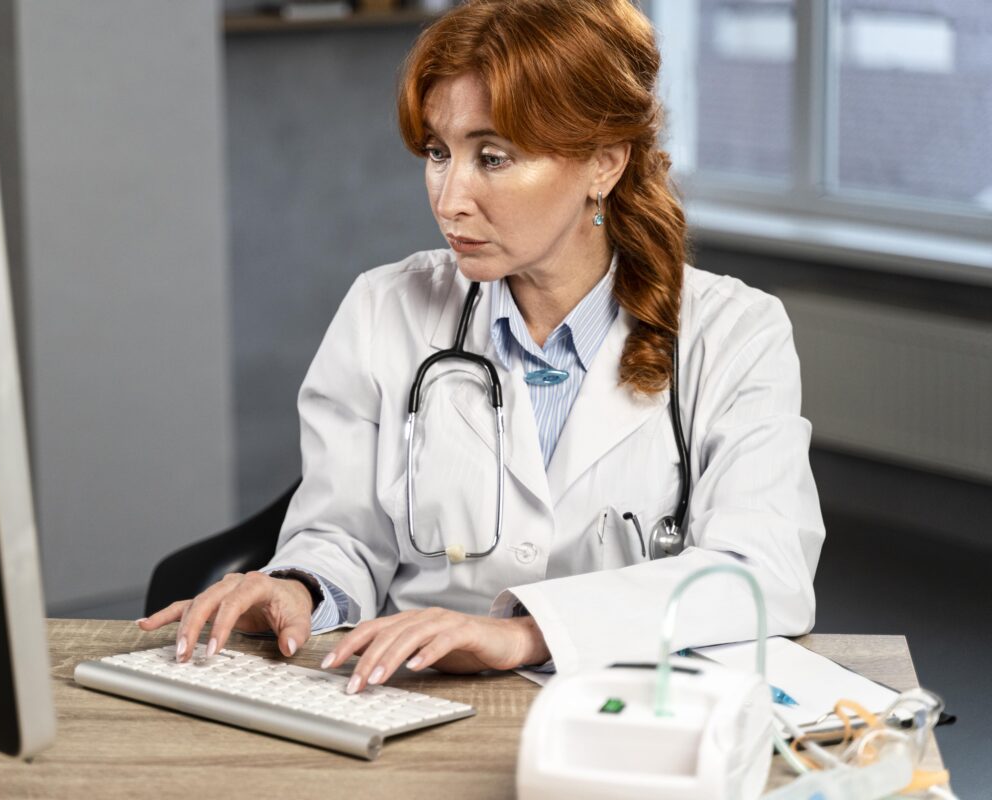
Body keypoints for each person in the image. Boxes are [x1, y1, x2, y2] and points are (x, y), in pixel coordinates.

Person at [139, 0, 824, 695]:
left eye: (492, 157)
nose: (449, 199)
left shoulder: (735, 333)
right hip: (411, 699)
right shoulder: (383, 309)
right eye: (439, 153)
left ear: (604, 164)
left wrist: (526, 633)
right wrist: (300, 588)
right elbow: (343, 535)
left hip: (624, 710)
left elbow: (765, 572)